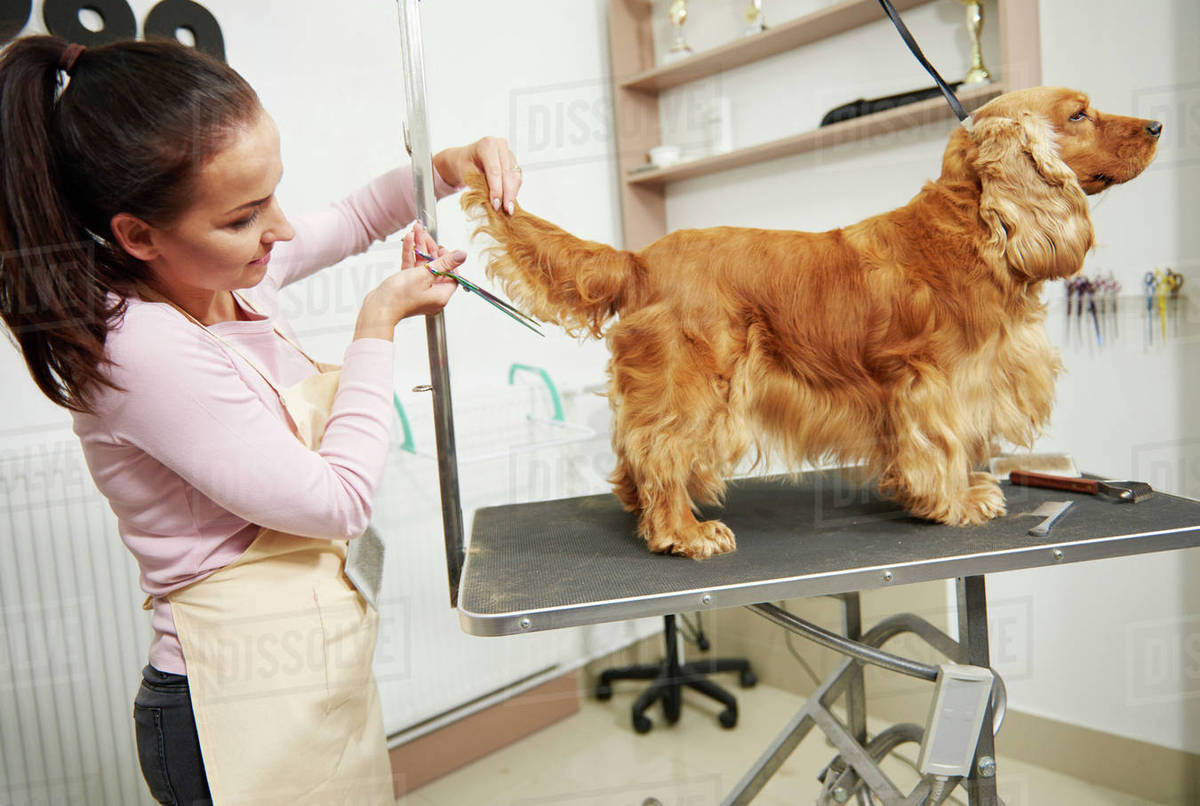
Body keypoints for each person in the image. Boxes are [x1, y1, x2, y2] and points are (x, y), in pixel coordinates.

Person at [0, 35, 522, 805]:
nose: (276, 230)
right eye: (245, 216)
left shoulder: (223, 271)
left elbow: (353, 216)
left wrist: (445, 169)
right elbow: (335, 501)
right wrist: (378, 323)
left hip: (307, 674)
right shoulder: (141, 350)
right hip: (229, 710)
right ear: (136, 235)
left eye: (274, 194)